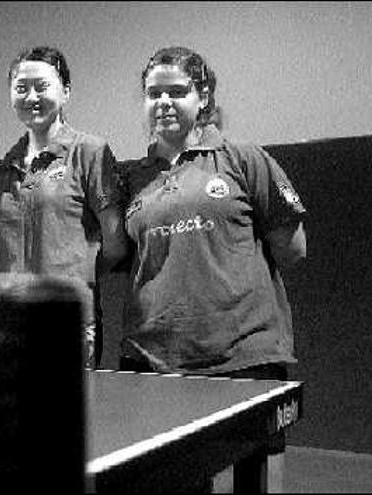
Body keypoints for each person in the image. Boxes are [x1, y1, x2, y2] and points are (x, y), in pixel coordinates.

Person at [114, 46, 307, 492]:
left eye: (177, 91)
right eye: (153, 93)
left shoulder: (242, 158)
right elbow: (125, 256)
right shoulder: (133, 179)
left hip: (244, 357)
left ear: (202, 96)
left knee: (255, 481)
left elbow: (292, 246)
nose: (163, 102)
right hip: (155, 361)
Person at [0, 46, 127, 368]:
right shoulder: (5, 166)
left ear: (65, 92)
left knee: (63, 416)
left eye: (42, 86)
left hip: (69, 321)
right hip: (12, 321)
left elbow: (115, 242)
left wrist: (77, 273)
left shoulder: (89, 152)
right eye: (21, 88)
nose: (31, 96)